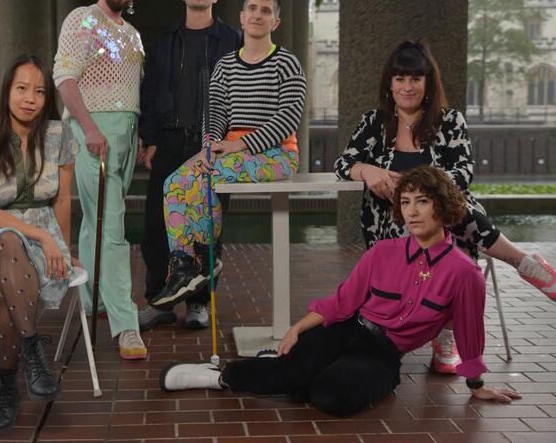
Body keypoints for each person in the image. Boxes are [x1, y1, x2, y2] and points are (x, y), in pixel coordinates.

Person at [160, 165, 522, 417]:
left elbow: (470, 332)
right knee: (293, 375)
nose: (412, 212)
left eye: (422, 202)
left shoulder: (465, 274)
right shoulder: (383, 252)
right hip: (346, 327)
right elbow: (343, 302)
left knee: (327, 396)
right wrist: (298, 329)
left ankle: (294, 369)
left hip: (383, 354)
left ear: (443, 207)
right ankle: (217, 377)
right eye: (406, 202)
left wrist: (477, 385)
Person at [334, 40, 556, 373]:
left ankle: (448, 336)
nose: (407, 86)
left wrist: (422, 188)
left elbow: (463, 171)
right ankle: (523, 265)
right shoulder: (374, 123)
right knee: (427, 215)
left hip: (448, 221)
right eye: (400, 78)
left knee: (451, 209)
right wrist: (368, 170)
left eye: (415, 78)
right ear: (389, 84)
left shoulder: (449, 120)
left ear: (428, 83)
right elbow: (344, 163)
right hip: (392, 223)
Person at [151, 0, 306, 310]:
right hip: (229, 150)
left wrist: (240, 146)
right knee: (176, 181)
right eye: (253, 8)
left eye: (266, 10)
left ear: (275, 21)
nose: (258, 15)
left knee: (208, 175)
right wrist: (208, 148)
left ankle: (205, 255)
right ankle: (184, 263)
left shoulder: (287, 64)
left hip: (275, 153)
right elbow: (215, 116)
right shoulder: (225, 66)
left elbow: (288, 118)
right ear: (242, 16)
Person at [0, 54, 77, 438]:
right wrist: (39, 235)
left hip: (36, 242)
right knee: (8, 242)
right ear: (7, 92)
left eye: (39, 91)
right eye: (22, 88)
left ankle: (8, 388)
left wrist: (63, 247)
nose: (30, 98)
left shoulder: (60, 136)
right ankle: (32, 348)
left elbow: (62, 202)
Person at [137, 0, 241, 331]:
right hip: (169, 142)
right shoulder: (166, 40)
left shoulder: (232, 40)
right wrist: (148, 138)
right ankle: (160, 301)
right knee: (156, 226)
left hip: (212, 147)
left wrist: (236, 141)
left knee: (206, 227)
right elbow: (149, 93)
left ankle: (199, 301)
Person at [52, 0, 147, 360]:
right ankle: (127, 326)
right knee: (114, 227)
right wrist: (90, 127)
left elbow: (131, 86)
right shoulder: (82, 20)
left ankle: (94, 302)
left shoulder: (135, 35)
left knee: (97, 219)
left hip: (127, 133)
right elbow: (65, 77)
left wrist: (136, 132)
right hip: (93, 131)